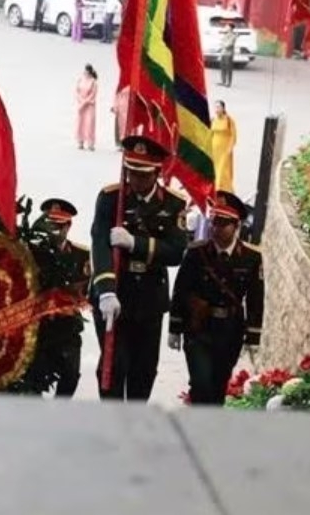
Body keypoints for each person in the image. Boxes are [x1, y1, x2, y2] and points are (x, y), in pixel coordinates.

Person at [89, 135, 189, 401]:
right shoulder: (111, 198)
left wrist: (136, 243)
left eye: (143, 175)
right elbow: (99, 243)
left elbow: (177, 251)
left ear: (157, 172)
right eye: (131, 172)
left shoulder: (173, 204)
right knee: (114, 364)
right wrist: (106, 291)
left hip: (148, 298)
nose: (135, 180)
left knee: (143, 371)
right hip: (115, 294)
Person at [169, 191, 264, 405]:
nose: (215, 227)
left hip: (230, 330)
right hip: (198, 328)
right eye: (213, 221)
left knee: (218, 385)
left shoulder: (251, 258)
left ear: (236, 225)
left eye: (222, 223)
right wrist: (175, 328)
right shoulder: (196, 253)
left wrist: (253, 337)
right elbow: (181, 290)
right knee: (201, 382)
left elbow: (256, 299)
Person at [31, 199, 91, 398]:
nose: (54, 231)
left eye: (59, 226)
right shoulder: (33, 252)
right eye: (50, 225)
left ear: (68, 225)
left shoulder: (82, 255)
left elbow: (86, 289)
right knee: (34, 377)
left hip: (68, 326)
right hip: (39, 326)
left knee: (71, 374)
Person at [211, 100, 237, 193]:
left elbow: (233, 135)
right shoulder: (213, 120)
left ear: (223, 108)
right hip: (215, 149)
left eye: (219, 107)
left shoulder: (229, 120)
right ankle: (218, 188)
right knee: (216, 169)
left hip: (225, 150)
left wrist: (230, 148)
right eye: (215, 107)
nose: (217, 109)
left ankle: (221, 189)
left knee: (223, 170)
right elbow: (210, 134)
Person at [75, 64, 98, 151]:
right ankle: (80, 141)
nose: (86, 72)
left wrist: (84, 103)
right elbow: (77, 91)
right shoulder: (80, 79)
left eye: (87, 71)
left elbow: (93, 95)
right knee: (80, 123)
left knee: (89, 124)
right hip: (81, 106)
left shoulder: (93, 82)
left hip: (89, 106)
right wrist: (80, 101)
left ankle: (90, 143)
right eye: (85, 71)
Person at [219, 22, 237, 87]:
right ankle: (223, 82)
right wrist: (223, 44)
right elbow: (221, 43)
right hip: (223, 53)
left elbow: (228, 45)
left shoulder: (233, 36)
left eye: (227, 26)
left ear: (230, 28)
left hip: (229, 54)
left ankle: (228, 83)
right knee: (223, 68)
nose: (226, 27)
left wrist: (223, 44)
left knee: (229, 69)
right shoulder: (225, 35)